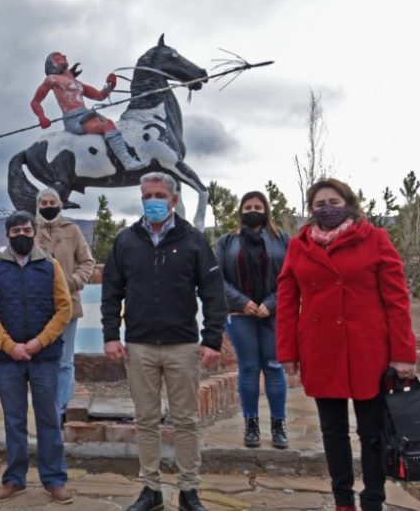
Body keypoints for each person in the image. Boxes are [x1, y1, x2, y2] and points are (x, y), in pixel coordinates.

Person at [275, 178, 418, 511]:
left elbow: (397, 300)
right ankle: (343, 501)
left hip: (368, 351)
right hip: (321, 350)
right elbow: (286, 302)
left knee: (372, 432)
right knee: (333, 432)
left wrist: (403, 354)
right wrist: (287, 353)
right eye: (319, 204)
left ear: (349, 203)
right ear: (310, 211)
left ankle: (373, 500)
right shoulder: (299, 246)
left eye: (334, 201)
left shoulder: (376, 239)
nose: (327, 208)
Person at [101, 172, 228, 511]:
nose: (152, 201)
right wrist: (111, 335)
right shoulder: (126, 240)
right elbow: (112, 291)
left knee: (186, 420)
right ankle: (150, 488)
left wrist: (212, 338)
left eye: (159, 194)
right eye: (147, 195)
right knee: (145, 419)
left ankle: (189, 490)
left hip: (182, 345)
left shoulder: (193, 240)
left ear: (173, 199)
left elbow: (213, 293)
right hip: (140, 346)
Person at [0, 211, 75, 505]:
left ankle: (54, 479)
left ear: (34, 232)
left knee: (48, 419)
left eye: (26, 229)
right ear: (7, 234)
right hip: (9, 359)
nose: (21, 234)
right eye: (15, 230)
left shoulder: (50, 265)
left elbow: (64, 309)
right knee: (14, 420)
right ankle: (14, 479)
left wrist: (37, 343)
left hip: (44, 358)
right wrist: (10, 346)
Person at [215, 191, 291, 449]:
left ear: (266, 209)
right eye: (247, 206)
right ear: (240, 210)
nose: (252, 210)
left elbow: (292, 277)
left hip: (273, 314)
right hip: (240, 315)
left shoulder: (282, 239)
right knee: (248, 368)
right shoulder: (227, 241)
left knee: (273, 367)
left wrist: (271, 303)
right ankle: (251, 424)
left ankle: (279, 425)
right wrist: (241, 302)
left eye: (257, 206)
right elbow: (217, 278)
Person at [34, 187, 96, 424]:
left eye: (52, 201)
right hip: (38, 307)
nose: (48, 205)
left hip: (68, 304)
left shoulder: (72, 230)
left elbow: (87, 262)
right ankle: (44, 408)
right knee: (41, 360)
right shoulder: (32, 231)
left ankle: (59, 411)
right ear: (38, 205)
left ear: (60, 205)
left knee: (64, 360)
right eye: (44, 202)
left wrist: (71, 282)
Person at [30, 51, 147, 170]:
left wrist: (110, 86)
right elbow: (35, 101)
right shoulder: (52, 79)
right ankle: (127, 161)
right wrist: (41, 117)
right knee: (108, 124)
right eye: (57, 57)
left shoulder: (78, 84)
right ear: (52, 63)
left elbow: (100, 96)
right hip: (74, 119)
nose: (64, 56)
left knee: (110, 124)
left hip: (85, 115)